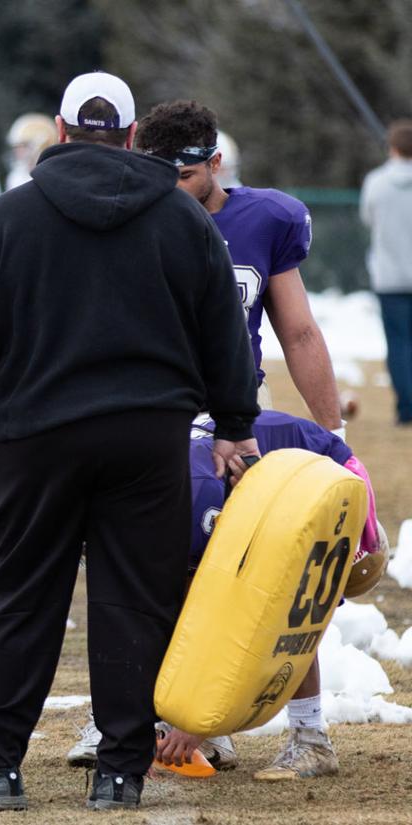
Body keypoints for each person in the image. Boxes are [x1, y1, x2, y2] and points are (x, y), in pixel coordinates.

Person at [0, 71, 260, 811]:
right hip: (149, 436)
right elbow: (224, 335)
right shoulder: (183, 221)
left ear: (60, 128)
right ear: (135, 135)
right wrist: (234, 423)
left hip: (38, 434)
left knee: (23, 597)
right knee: (134, 599)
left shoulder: (10, 216)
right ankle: (119, 770)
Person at [71, 410, 385, 780]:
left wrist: (198, 723)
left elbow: (249, 614)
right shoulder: (128, 497)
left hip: (328, 475)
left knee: (292, 603)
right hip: (248, 480)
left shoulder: (193, 505)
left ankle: (311, 739)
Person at [136, 101, 343, 435]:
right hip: (150, 405)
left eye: (185, 176)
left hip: (239, 405)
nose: (172, 189)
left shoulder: (266, 220)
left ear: (215, 162)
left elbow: (300, 335)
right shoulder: (132, 221)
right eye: (160, 178)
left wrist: (334, 432)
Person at [360, 120, 412, 425]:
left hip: (389, 276)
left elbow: (368, 217)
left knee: (398, 344)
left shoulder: (376, 182)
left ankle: (406, 408)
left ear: (391, 147)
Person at [3, 112, 57, 190]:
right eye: (17, 147)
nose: (17, 151)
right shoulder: (16, 177)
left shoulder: (52, 174)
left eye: (23, 146)